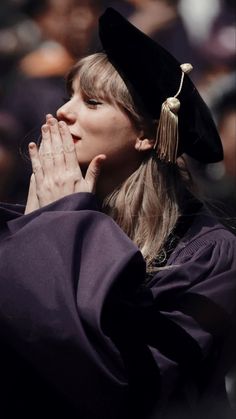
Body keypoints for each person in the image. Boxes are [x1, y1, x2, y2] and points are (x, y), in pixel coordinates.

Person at [0, 8, 235, 419]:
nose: (64, 113)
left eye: (91, 102)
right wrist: (33, 231)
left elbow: (115, 377)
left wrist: (58, 227)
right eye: (67, 96)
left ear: (146, 133)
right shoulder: (19, 225)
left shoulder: (209, 254)